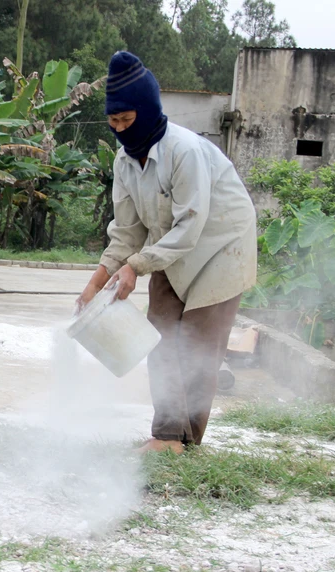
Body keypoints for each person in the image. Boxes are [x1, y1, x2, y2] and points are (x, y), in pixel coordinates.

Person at [77, 51, 257, 453]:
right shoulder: (124, 163)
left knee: (197, 343)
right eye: (113, 122)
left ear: (146, 110)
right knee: (159, 334)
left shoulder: (184, 151)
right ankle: (167, 434)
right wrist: (95, 283)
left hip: (221, 248)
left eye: (126, 120)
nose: (120, 130)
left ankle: (184, 441)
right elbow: (126, 232)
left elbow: (190, 227)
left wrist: (136, 268)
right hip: (170, 248)